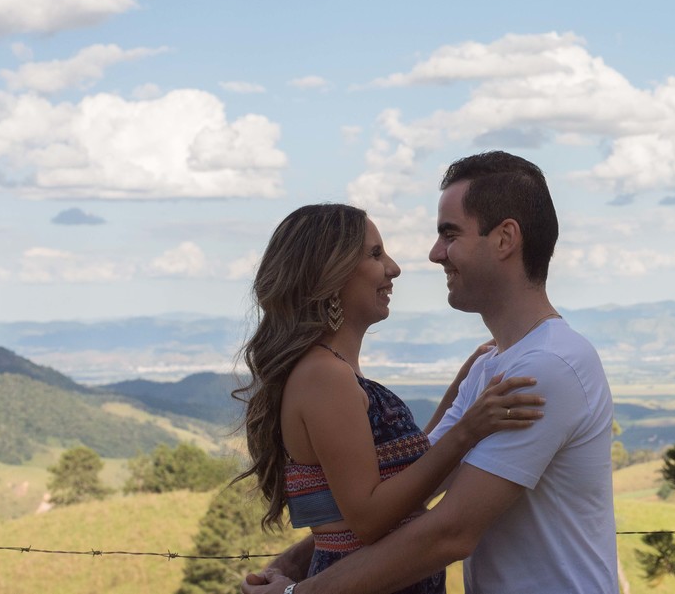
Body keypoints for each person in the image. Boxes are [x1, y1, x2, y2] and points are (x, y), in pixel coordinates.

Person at [243, 152, 618, 594]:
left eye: (449, 234)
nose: (434, 254)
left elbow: (449, 532)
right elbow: (411, 484)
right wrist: (294, 562)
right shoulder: (491, 369)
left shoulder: (547, 366)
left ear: (505, 239)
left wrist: (297, 592)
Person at [233, 202, 545, 594]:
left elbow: (402, 472)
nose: (393, 268)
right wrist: (467, 430)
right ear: (331, 274)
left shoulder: (331, 372)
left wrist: (465, 385)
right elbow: (370, 518)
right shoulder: (325, 377)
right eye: (376, 254)